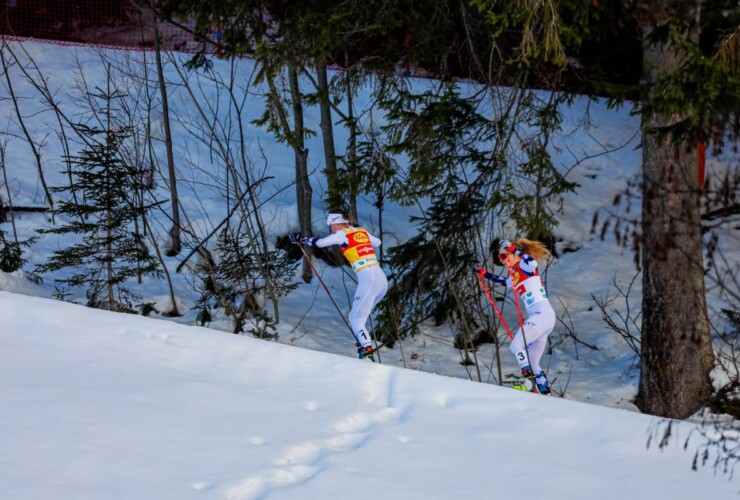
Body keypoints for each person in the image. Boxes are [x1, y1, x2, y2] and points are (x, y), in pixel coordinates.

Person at [290, 213, 388, 360]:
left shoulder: (342, 234)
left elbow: (319, 243)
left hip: (369, 280)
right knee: (355, 317)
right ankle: (364, 347)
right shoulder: (361, 231)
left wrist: (301, 239)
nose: (331, 228)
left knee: (356, 320)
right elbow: (378, 243)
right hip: (381, 280)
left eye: (331, 225)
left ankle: (366, 353)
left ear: (338, 223)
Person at [472, 238, 555, 395]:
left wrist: (515, 250)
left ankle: (529, 381)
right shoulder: (515, 273)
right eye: (500, 257)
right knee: (533, 361)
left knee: (516, 346)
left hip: (541, 315)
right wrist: (485, 274)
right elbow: (504, 281)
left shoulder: (524, 266)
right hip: (544, 318)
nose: (501, 260)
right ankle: (545, 391)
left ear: (513, 253)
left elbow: (533, 264)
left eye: (504, 256)